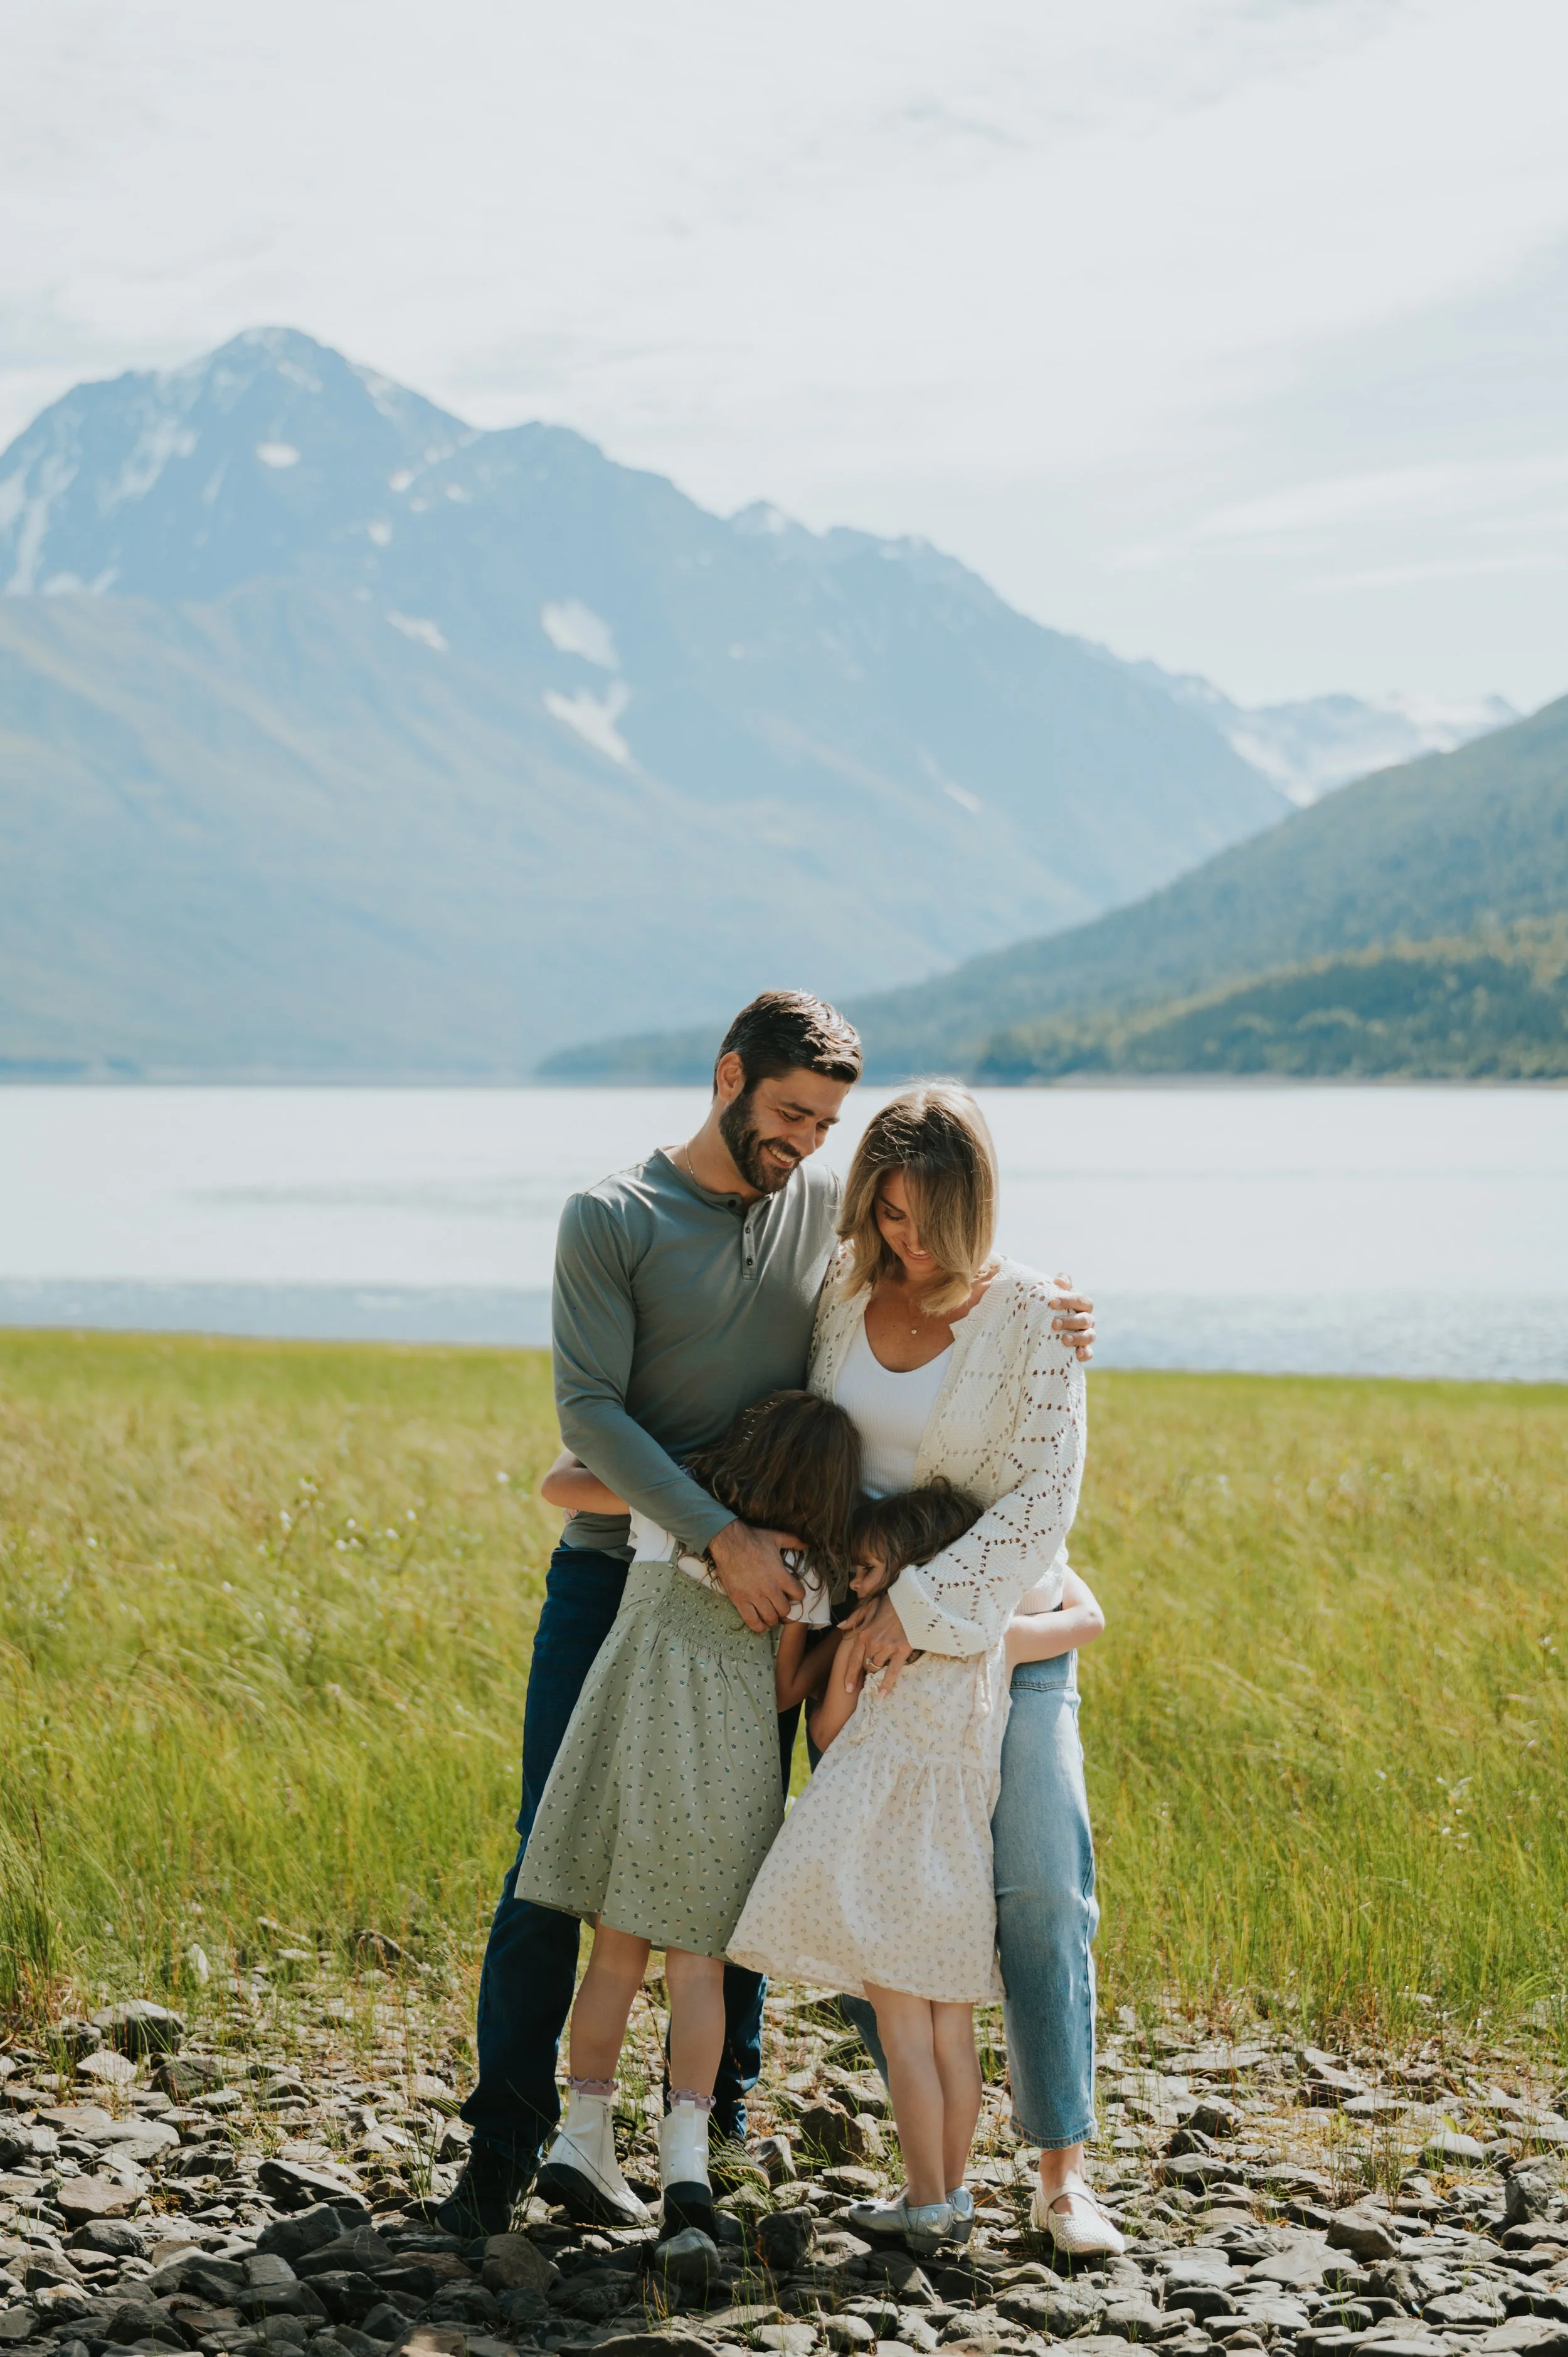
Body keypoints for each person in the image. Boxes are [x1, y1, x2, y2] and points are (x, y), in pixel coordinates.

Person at [437, 993, 1096, 2237]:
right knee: (551, 1864)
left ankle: (724, 2133)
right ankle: (513, 2140)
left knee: (770, 1863)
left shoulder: (830, 1226)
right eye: (790, 1113)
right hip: (641, 1577)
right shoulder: (619, 1219)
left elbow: (962, 1303)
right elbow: (589, 1419)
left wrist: (1060, 1308)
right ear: (728, 1076)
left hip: (834, 1599)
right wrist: (720, 1535)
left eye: (825, 1122)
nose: (806, 1142)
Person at [800, 1082, 1124, 2258]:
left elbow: (1045, 1496)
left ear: (979, 1198)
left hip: (1001, 1638)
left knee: (1039, 1893)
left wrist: (930, 1611)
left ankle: (1061, 2174)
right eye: (888, 1213)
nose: (912, 1240)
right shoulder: (836, 1298)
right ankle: (932, 2180)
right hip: (866, 1648)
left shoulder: (1036, 1312)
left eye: (932, 1213)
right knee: (875, 1898)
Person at [516, 1390, 861, 2234]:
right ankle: (686, 2159)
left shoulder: (673, 1514)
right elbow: (783, 1690)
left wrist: (673, 1469)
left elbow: (559, 1483)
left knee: (612, 1959)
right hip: (726, 1777)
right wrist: (830, 1651)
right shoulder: (808, 1571)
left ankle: (581, 2134)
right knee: (700, 1970)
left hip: (631, 1754)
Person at [731, 1481, 1105, 2256]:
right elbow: (1088, 1618)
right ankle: (953, 2191)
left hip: (883, 1867)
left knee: (907, 2042)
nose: (859, 1584)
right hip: (961, 1865)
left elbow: (830, 1736)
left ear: (911, 1572)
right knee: (952, 2041)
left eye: (868, 1570)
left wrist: (833, 1651)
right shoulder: (995, 1639)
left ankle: (928, 2199)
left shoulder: (867, 1641)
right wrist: (1033, 1566)